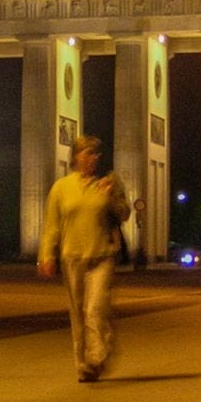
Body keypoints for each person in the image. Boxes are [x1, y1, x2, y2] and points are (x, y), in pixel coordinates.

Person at [38, 135, 130, 382]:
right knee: (78, 313)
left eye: (96, 154)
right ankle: (82, 364)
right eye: (88, 153)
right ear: (76, 156)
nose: (93, 158)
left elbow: (124, 214)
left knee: (95, 309)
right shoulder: (61, 188)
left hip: (102, 255)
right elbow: (51, 225)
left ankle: (97, 357)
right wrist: (47, 255)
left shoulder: (107, 183)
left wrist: (111, 197)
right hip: (72, 257)